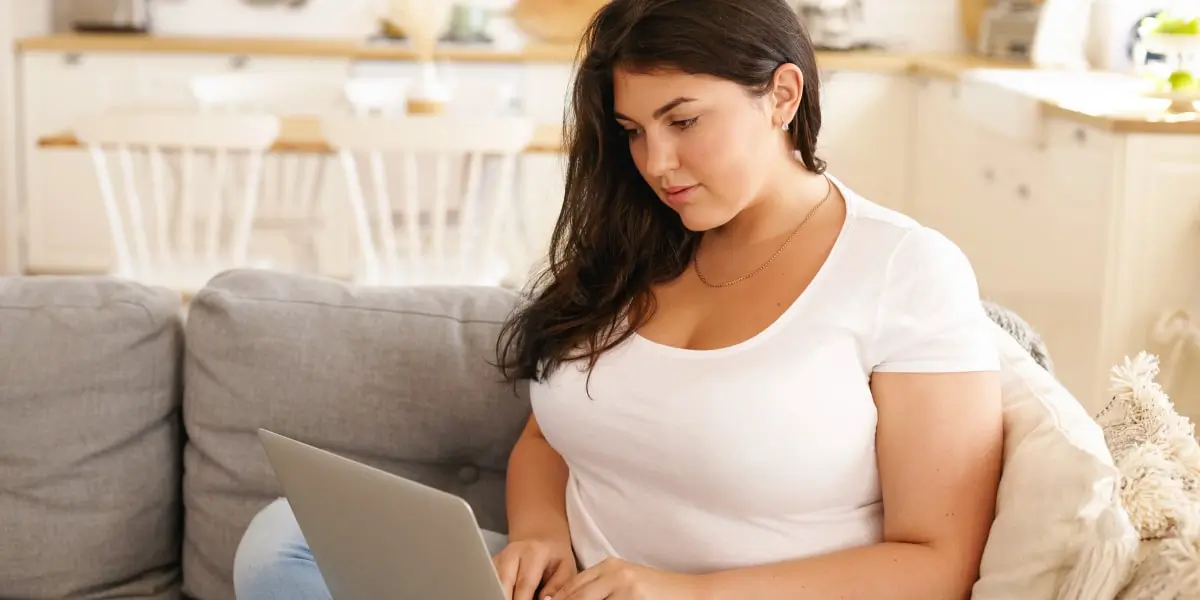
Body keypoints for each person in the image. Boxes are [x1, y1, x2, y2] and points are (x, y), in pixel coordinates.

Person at [232, 0, 1004, 598]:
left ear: (782, 95)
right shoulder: (638, 243)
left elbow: (937, 566)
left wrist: (687, 593)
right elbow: (549, 438)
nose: (656, 163)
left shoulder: (905, 269)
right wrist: (538, 537)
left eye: (684, 121)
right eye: (633, 130)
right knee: (283, 540)